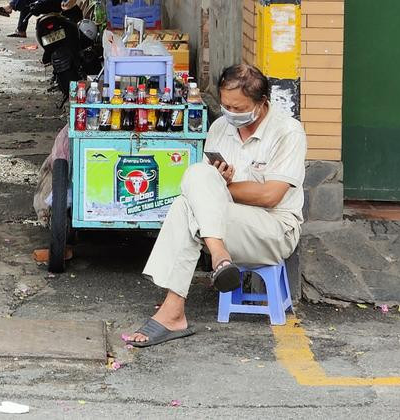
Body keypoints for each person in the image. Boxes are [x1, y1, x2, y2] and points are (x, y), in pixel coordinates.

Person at [128, 62, 307, 348]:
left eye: (238, 108)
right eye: (226, 106)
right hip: (225, 223)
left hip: (273, 229)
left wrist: (224, 187)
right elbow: (201, 189)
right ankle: (214, 262)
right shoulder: (220, 127)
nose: (231, 114)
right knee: (194, 184)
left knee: (189, 203)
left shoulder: (288, 132)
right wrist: (216, 183)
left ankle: (187, 293)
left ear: (261, 103)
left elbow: (270, 196)